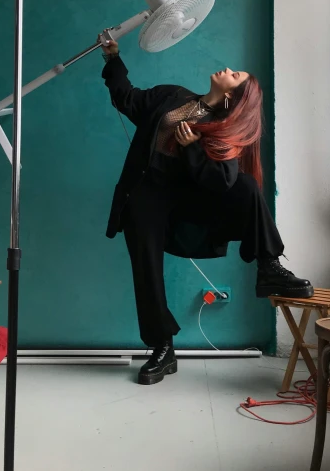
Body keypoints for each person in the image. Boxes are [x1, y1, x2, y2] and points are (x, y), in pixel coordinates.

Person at [100, 37, 313, 386]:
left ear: (233, 95)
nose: (227, 70)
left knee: (246, 185)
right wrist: (113, 57)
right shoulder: (171, 96)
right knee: (145, 268)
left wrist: (193, 148)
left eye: (234, 74)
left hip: (187, 206)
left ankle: (269, 267)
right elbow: (128, 98)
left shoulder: (223, 128)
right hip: (145, 196)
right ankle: (162, 349)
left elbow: (222, 182)